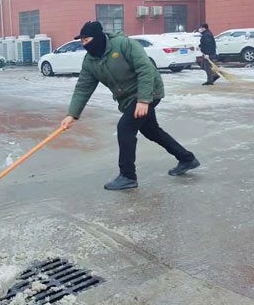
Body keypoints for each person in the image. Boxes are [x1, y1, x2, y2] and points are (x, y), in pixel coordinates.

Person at [60, 21, 200, 190]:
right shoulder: (90, 61)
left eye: (87, 40)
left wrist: (143, 100)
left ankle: (127, 176)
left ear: (98, 37)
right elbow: (83, 87)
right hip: (129, 99)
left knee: (125, 128)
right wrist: (71, 114)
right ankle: (187, 159)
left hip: (149, 91)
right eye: (82, 41)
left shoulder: (124, 45)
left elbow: (145, 69)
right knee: (151, 131)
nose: (85, 44)